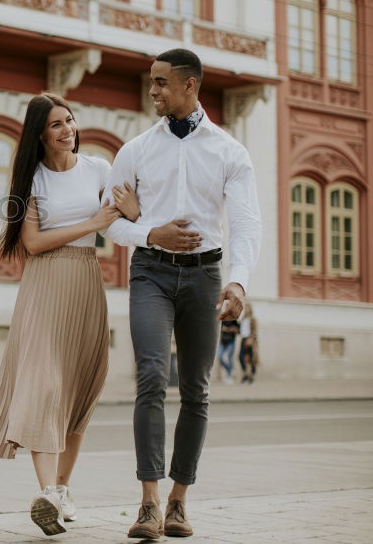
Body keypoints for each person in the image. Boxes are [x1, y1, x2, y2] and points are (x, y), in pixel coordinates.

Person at [103, 49, 261, 539]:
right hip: (150, 272)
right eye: (151, 82)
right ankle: (148, 502)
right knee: (151, 376)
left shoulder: (230, 151)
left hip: (205, 277)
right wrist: (151, 234)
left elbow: (246, 222)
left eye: (161, 83)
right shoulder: (134, 150)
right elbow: (110, 222)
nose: (152, 91)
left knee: (196, 389)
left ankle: (178, 501)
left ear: (190, 85)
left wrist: (239, 281)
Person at [0, 93, 140, 537]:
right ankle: (49, 494)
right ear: (40, 133)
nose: (67, 129)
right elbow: (32, 245)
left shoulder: (98, 169)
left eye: (70, 121)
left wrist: (121, 212)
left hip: (85, 282)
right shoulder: (30, 180)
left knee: (76, 391)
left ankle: (60, 491)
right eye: (56, 124)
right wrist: (94, 223)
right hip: (43, 285)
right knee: (45, 387)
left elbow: (130, 210)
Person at [238, 304, 259, 384]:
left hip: (250, 339)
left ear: (250, 309)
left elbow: (254, 331)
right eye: (245, 308)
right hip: (243, 339)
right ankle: (246, 373)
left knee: (252, 358)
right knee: (241, 357)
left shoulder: (252, 319)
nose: (246, 310)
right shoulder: (243, 319)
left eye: (247, 308)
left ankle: (252, 376)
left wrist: (251, 339)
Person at [217, 318, 241, 384]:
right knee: (219, 356)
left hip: (231, 341)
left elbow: (238, 330)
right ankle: (230, 370)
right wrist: (229, 329)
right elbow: (219, 328)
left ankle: (229, 375)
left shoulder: (234, 320)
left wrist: (227, 329)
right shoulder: (223, 319)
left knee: (230, 357)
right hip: (223, 341)